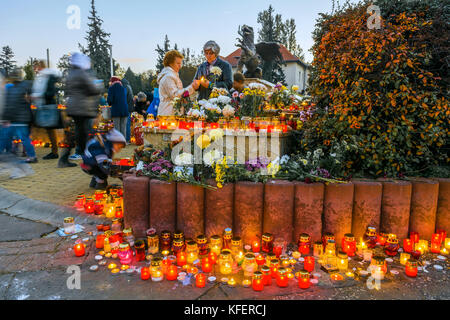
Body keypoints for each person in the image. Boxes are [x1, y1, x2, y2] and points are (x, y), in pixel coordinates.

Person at [65, 53, 101, 162]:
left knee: (78, 130)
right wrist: (98, 86)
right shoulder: (81, 73)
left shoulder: (70, 73)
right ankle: (82, 152)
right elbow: (92, 89)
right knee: (83, 131)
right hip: (82, 107)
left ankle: (70, 155)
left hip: (73, 106)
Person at [2, 68, 37, 163]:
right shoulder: (26, 85)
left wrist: (5, 118)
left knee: (7, 137)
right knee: (24, 138)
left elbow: (9, 105)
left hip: (16, 119)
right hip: (23, 117)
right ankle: (32, 156)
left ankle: (7, 154)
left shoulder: (12, 89)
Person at [31, 60, 62, 160]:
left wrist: (37, 96)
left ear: (41, 66)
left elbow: (50, 92)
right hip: (44, 105)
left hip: (48, 105)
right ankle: (53, 149)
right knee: (48, 129)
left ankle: (54, 151)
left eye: (37, 66)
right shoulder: (42, 77)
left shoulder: (48, 77)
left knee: (50, 128)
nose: (35, 68)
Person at [157, 50, 200, 116]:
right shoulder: (168, 77)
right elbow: (175, 96)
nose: (180, 66)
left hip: (173, 112)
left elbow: (180, 95)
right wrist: (192, 87)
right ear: (170, 63)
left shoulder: (173, 75)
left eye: (180, 63)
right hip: (168, 114)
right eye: (178, 63)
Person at [121, 78, 134, 143]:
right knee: (127, 123)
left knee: (126, 124)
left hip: (126, 107)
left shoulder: (125, 87)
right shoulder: (129, 86)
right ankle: (127, 139)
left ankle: (127, 139)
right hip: (130, 107)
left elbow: (123, 97)